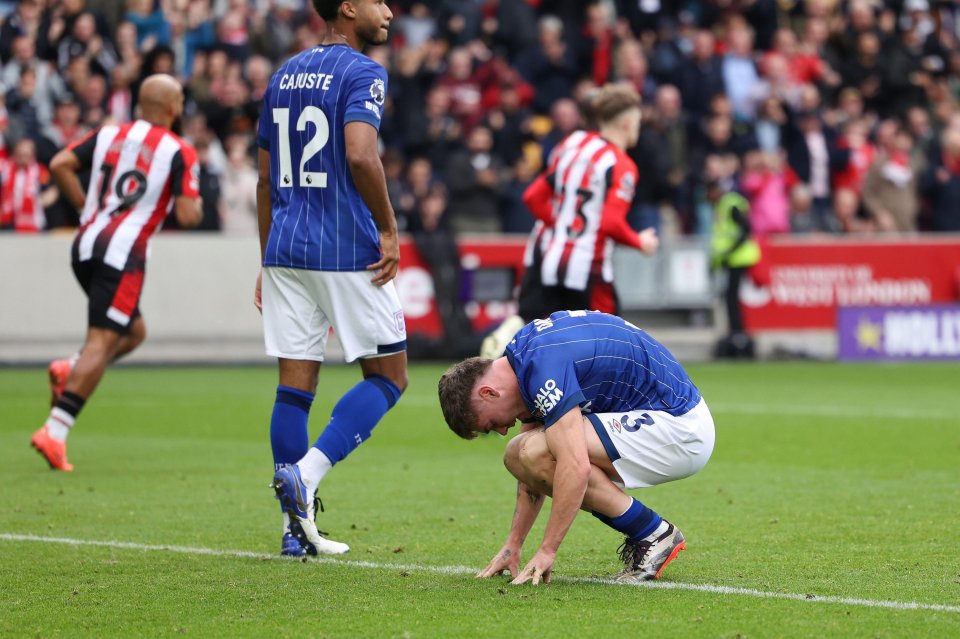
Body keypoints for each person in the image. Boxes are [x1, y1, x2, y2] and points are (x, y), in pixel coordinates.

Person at [257, 0, 407, 558]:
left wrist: (265, 254)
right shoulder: (364, 71)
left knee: (293, 391)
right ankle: (309, 474)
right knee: (389, 377)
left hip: (285, 246)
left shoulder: (282, 73)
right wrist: (389, 231)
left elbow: (264, 175)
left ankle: (295, 532)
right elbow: (361, 155)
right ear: (347, 8)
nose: (389, 11)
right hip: (344, 245)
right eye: (378, 1)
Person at [439, 310, 715, 585]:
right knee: (517, 453)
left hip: (681, 428)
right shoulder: (523, 358)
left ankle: (653, 533)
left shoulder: (542, 366)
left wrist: (548, 550)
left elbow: (574, 466)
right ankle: (651, 531)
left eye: (491, 424)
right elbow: (528, 470)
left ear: (488, 393)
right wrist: (514, 545)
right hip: (661, 418)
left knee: (539, 451)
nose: (501, 430)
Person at [31, 73, 202, 471]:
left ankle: (70, 367)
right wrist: (192, 200)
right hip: (122, 253)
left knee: (133, 332)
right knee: (104, 340)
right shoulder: (178, 150)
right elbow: (188, 214)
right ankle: (55, 431)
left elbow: (59, 163)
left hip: (85, 245)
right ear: (173, 108)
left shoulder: (109, 134)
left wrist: (86, 210)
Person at [480, 84, 659, 359]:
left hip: (551, 257)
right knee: (612, 343)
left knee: (541, 330)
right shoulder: (622, 165)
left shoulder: (573, 144)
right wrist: (640, 242)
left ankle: (507, 357)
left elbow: (533, 197)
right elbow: (610, 223)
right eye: (637, 121)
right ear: (626, 122)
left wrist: (565, 225)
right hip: (590, 266)